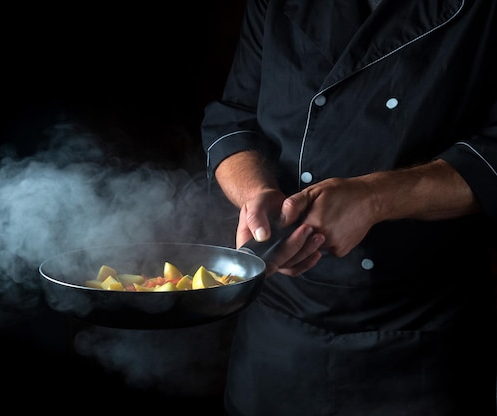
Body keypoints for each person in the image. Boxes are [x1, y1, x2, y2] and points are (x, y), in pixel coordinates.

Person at [200, 0, 497, 415]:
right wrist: (254, 192)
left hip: (422, 333)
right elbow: (234, 119)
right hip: (277, 332)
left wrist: (376, 197)